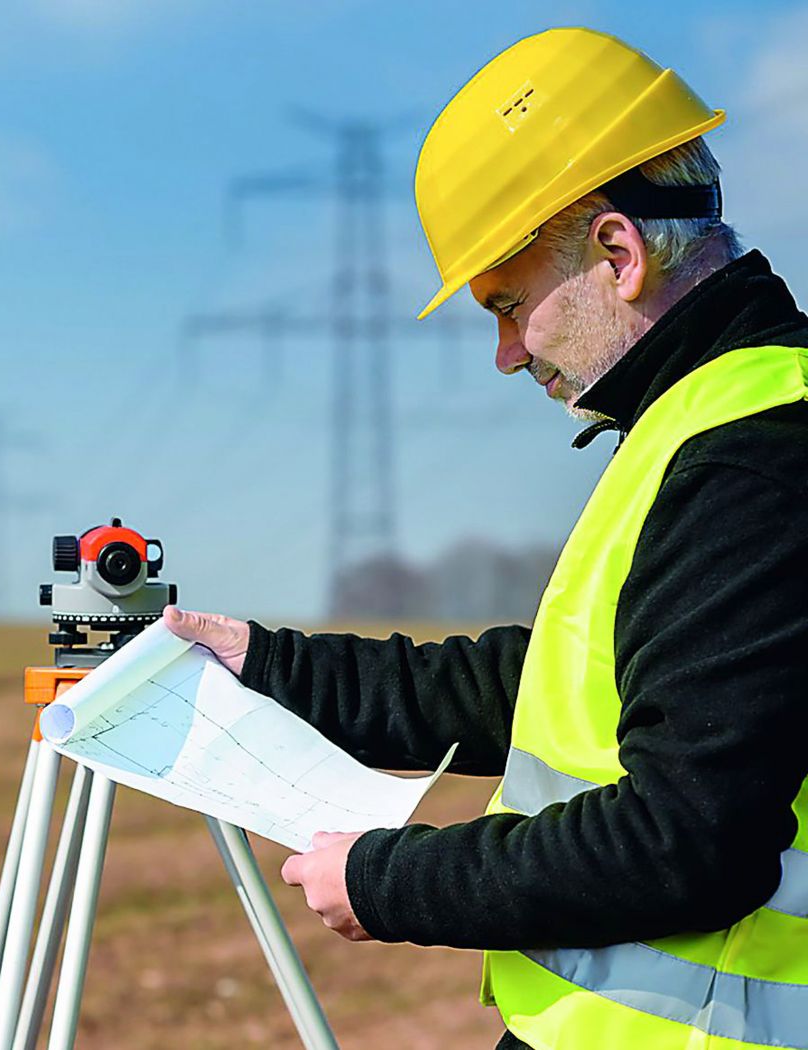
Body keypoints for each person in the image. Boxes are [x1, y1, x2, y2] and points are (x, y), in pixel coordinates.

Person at [166, 28, 808, 1050]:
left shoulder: (751, 454)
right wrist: (265, 664)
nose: (505, 356)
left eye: (507, 307)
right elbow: (549, 684)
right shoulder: (706, 419)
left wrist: (388, 878)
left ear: (616, 253)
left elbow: (685, 840)